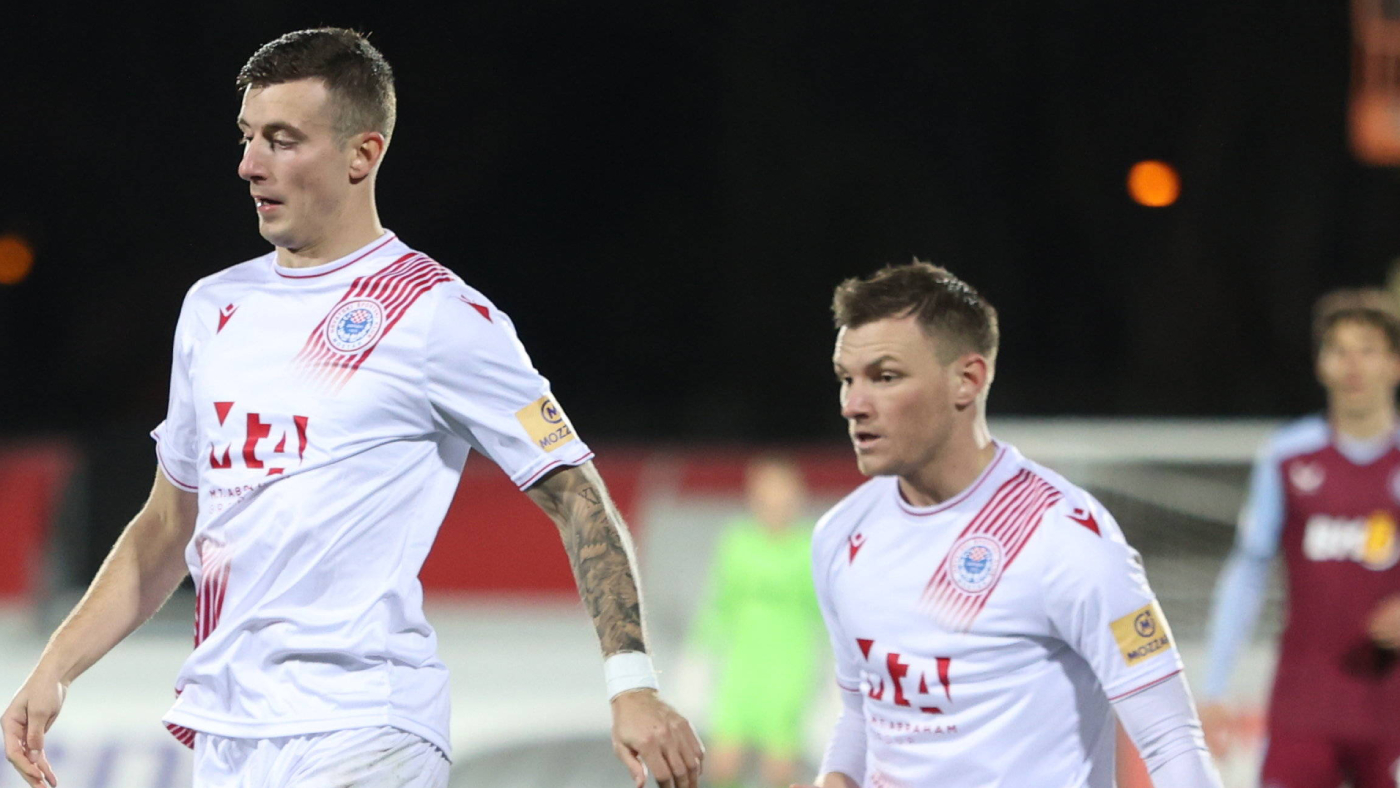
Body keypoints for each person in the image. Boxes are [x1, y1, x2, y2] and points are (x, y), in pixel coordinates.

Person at [2, 28, 702, 788]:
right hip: (230, 733)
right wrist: (56, 668)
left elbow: (577, 493)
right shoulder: (214, 308)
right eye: (246, 137)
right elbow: (170, 523)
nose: (250, 164)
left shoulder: (436, 316)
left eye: (282, 140)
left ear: (362, 154)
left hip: (366, 726)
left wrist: (632, 682)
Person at [795, 262, 1222, 788]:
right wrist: (835, 779)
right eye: (846, 379)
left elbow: (1171, 740)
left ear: (967, 380)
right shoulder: (840, 535)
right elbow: (863, 714)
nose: (853, 405)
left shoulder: (1064, 538)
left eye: (885, 377)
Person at [1200, 289, 1400, 788]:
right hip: (1305, 707)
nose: (1353, 365)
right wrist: (1215, 684)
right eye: (1339, 350)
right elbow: (1248, 569)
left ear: (1394, 364)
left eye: (1368, 350)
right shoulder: (1287, 456)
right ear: (1321, 364)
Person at [690, 457, 823, 788]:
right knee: (723, 761)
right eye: (767, 498)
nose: (776, 506)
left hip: (788, 665)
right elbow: (720, 602)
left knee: (779, 766)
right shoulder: (737, 541)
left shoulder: (810, 546)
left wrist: (840, 666)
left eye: (784, 497)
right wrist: (699, 652)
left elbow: (824, 611)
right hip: (741, 663)